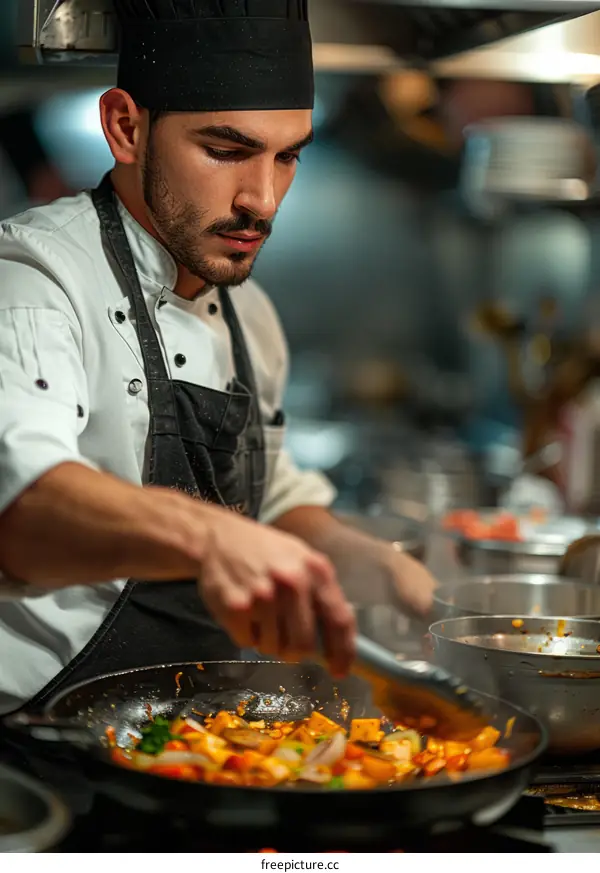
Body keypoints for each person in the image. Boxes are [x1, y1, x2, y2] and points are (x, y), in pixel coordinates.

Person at [0, 0, 436, 715]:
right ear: (126, 128)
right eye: (227, 150)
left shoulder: (249, 314)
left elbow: (271, 497)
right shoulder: (32, 278)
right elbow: (22, 507)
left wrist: (376, 569)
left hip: (194, 739)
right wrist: (210, 536)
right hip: (40, 752)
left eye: (288, 155)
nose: (261, 200)